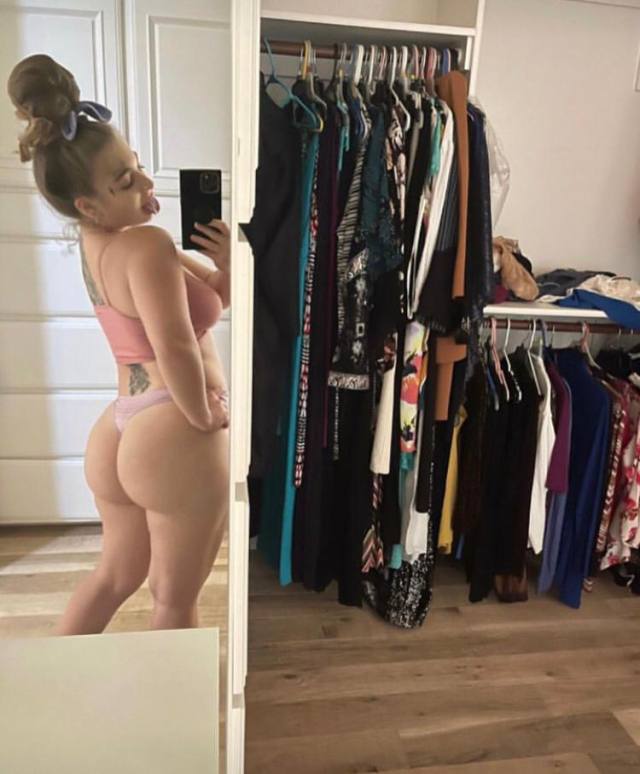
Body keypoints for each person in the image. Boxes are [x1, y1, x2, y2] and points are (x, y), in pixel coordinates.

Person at [7, 53, 230, 633]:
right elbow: (175, 345)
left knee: (113, 576)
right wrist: (202, 415)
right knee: (174, 598)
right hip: (173, 425)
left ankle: (58, 676)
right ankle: (167, 698)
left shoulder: (102, 243)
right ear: (88, 205)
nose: (147, 185)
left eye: (138, 167)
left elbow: (212, 296)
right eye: (125, 182)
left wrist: (226, 262)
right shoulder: (148, 245)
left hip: (121, 429)